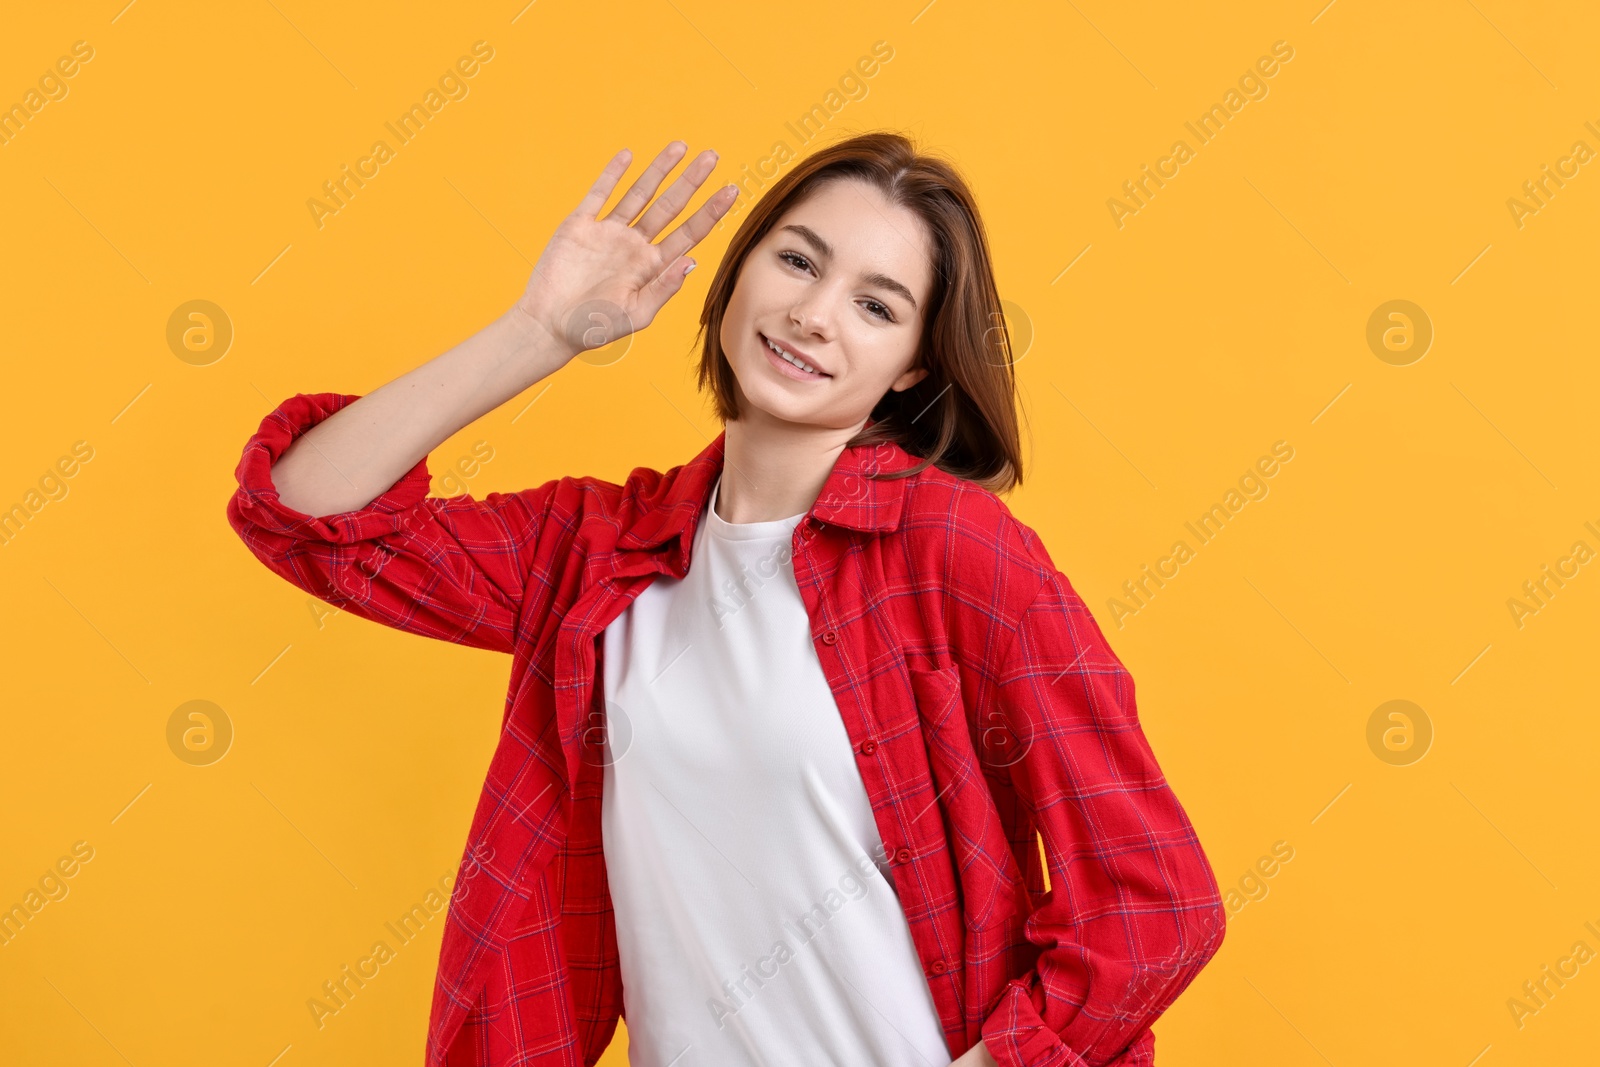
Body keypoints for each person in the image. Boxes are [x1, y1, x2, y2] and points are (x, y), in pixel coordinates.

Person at [227, 132, 1227, 1067]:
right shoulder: (598, 552)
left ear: (912, 365)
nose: (813, 313)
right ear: (738, 270)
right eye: (797, 261)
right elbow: (304, 513)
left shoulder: (952, 552)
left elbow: (1155, 898)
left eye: (875, 305)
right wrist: (536, 332)